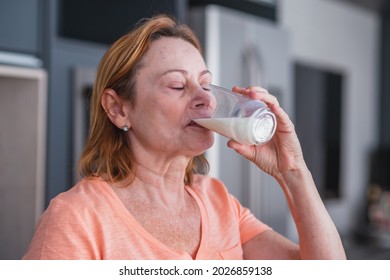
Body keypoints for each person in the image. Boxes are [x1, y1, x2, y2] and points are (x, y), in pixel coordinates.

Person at [23, 14, 346, 260]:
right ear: (119, 109)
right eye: (177, 86)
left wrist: (293, 172)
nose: (206, 99)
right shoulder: (76, 219)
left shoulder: (218, 201)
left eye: (205, 84)